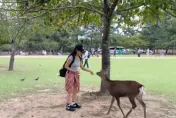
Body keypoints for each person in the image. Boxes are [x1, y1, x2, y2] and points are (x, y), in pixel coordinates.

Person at [64, 44, 94, 111]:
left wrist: (90, 71)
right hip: (70, 74)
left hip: (76, 75)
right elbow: (66, 66)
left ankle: (73, 103)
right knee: (70, 90)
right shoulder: (71, 57)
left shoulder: (80, 57)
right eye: (80, 51)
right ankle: (68, 105)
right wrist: (74, 71)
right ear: (77, 50)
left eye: (82, 51)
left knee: (75, 89)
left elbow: (82, 67)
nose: (81, 52)